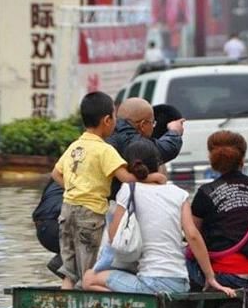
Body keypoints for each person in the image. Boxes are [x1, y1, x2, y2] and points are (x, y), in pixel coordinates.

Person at [33, 99, 185, 277]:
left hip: (50, 220)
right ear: (143, 125)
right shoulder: (119, 143)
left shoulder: (87, 142)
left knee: (109, 231)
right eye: (152, 124)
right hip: (69, 220)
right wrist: (174, 133)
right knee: (123, 240)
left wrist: (77, 190)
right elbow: (157, 154)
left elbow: (55, 173)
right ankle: (85, 277)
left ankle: (68, 267)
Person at [83, 140, 236, 297]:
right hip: (180, 282)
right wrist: (210, 277)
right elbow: (193, 235)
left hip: (151, 283)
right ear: (158, 165)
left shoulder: (128, 190)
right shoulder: (178, 193)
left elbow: (115, 237)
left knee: (89, 279)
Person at [187, 131, 248, 289]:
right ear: (242, 158)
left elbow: (193, 234)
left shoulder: (205, 193)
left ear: (211, 158)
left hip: (227, 276)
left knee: (185, 258)